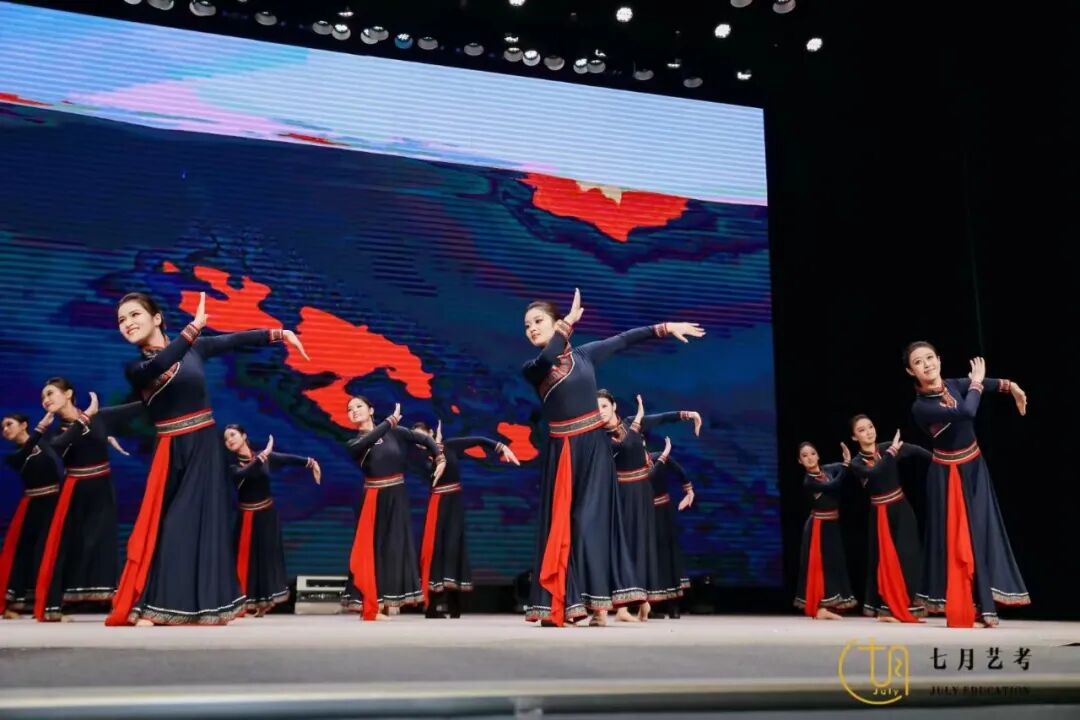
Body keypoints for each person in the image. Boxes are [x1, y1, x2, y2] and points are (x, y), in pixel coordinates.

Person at [104, 290, 307, 626]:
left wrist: (279, 333)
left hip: (205, 447)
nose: (127, 323)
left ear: (157, 318)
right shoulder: (136, 367)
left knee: (204, 526)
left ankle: (202, 604)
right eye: (122, 320)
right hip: (172, 450)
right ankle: (156, 604)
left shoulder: (194, 348)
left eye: (134, 315)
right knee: (172, 525)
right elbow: (159, 365)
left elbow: (234, 340)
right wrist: (193, 328)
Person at [521, 288, 705, 626]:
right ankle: (567, 601)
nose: (531, 328)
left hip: (594, 449)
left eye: (538, 321)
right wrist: (567, 324)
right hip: (564, 452)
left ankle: (599, 606)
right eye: (527, 325)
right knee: (567, 524)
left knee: (592, 523)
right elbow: (548, 360)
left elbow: (623, 340)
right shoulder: (533, 368)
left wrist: (665, 327)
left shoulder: (585, 355)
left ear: (555, 322)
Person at [905, 343, 1030, 627]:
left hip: (974, 467)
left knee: (981, 534)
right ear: (910, 371)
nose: (926, 364)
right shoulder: (921, 407)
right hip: (947, 476)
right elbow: (966, 412)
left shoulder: (953, 385)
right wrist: (975, 383)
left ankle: (985, 606)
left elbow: (987, 384)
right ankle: (969, 604)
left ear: (939, 359)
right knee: (958, 540)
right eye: (918, 362)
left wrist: (1012, 387)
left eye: (930, 358)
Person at [34, 379, 140, 621]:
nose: (46, 400)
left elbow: (136, 407)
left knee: (102, 543)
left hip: (101, 487)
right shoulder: (55, 431)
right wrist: (85, 418)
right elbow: (59, 446)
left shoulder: (99, 417)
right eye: (43, 397)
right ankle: (62, 602)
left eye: (50, 393)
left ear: (68, 393)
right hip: (75, 489)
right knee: (72, 544)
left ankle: (106, 599)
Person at [341, 397, 445, 620]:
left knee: (395, 549)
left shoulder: (395, 432)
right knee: (372, 550)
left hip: (397, 496)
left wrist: (440, 458)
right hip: (374, 498)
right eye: (350, 409)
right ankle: (370, 605)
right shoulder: (354, 443)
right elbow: (368, 441)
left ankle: (386, 601)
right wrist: (389, 422)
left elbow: (425, 439)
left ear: (371, 410)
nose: (354, 410)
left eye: (359, 406)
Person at [599, 392, 698, 622]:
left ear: (614, 406)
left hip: (642, 495)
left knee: (639, 547)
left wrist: (688, 414)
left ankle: (632, 604)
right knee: (620, 546)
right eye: (597, 408)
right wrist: (639, 424)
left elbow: (661, 418)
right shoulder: (600, 436)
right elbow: (623, 446)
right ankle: (614, 608)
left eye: (604, 405)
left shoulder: (630, 423)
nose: (600, 411)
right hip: (620, 495)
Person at [411, 420, 519, 618]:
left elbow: (479, 440)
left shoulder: (450, 446)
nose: (420, 442)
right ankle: (433, 605)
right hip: (437, 504)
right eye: (416, 439)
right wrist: (434, 453)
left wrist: (502, 447)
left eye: (422, 436)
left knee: (454, 548)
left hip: (454, 504)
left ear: (432, 433)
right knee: (435, 550)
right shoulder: (419, 457)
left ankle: (454, 603)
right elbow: (429, 475)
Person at [225, 425, 321, 617]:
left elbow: (288, 459)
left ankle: (263, 601)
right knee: (245, 559)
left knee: (267, 559)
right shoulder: (233, 465)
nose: (230, 440)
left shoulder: (264, 457)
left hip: (267, 515)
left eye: (233, 435)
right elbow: (244, 474)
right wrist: (264, 455)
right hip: (248, 517)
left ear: (244, 435)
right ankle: (242, 601)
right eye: (226, 439)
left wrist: (311, 463)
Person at [848, 415, 928, 623]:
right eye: (861, 430)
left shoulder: (885, 448)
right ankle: (886, 607)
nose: (868, 432)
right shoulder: (856, 463)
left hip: (901, 508)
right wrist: (892, 451)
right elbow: (876, 472)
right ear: (854, 437)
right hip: (880, 513)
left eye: (870, 426)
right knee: (885, 559)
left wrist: (939, 460)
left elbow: (915, 450)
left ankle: (908, 603)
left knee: (909, 556)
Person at [0, 412, 62, 618]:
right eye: (3, 427)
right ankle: (18, 603)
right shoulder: (14, 456)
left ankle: (49, 601)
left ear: (23, 425)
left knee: (51, 552)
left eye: (9, 424)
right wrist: (40, 428)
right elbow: (25, 452)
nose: (5, 430)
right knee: (28, 553)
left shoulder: (46, 444)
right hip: (34, 507)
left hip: (55, 502)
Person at [793, 442, 856, 619]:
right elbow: (833, 485)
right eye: (804, 456)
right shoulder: (809, 481)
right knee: (820, 566)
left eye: (812, 453)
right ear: (800, 461)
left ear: (818, 456)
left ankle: (831, 605)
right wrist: (845, 465)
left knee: (834, 563)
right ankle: (820, 607)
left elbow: (843, 467)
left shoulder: (827, 469)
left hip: (831, 525)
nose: (810, 458)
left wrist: (847, 461)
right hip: (818, 526)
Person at [646, 440, 694, 618]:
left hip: (663, 513)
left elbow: (678, 470)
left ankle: (674, 606)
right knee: (650, 558)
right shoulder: (631, 464)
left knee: (668, 556)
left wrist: (689, 491)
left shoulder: (656, 457)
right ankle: (650, 607)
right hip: (645, 515)